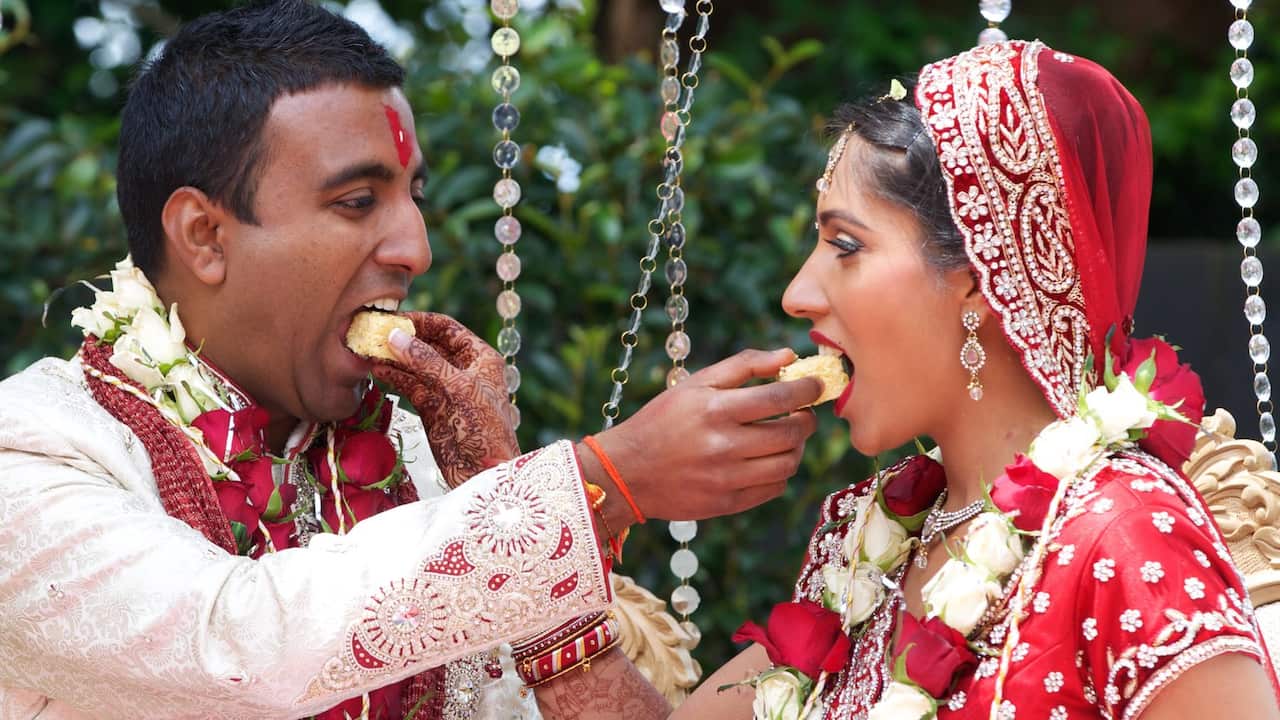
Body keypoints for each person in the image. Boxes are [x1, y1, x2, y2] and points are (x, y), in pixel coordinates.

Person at [0, 2, 822, 719]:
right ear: (204, 236)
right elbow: (233, 644)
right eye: (357, 202)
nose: (415, 249)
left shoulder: (424, 461)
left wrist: (507, 490)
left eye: (414, 197)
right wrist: (599, 482)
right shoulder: (33, 451)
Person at [675, 40, 1280, 720]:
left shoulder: (1125, 534)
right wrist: (610, 489)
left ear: (978, 280)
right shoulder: (866, 542)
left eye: (845, 246)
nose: (797, 294)